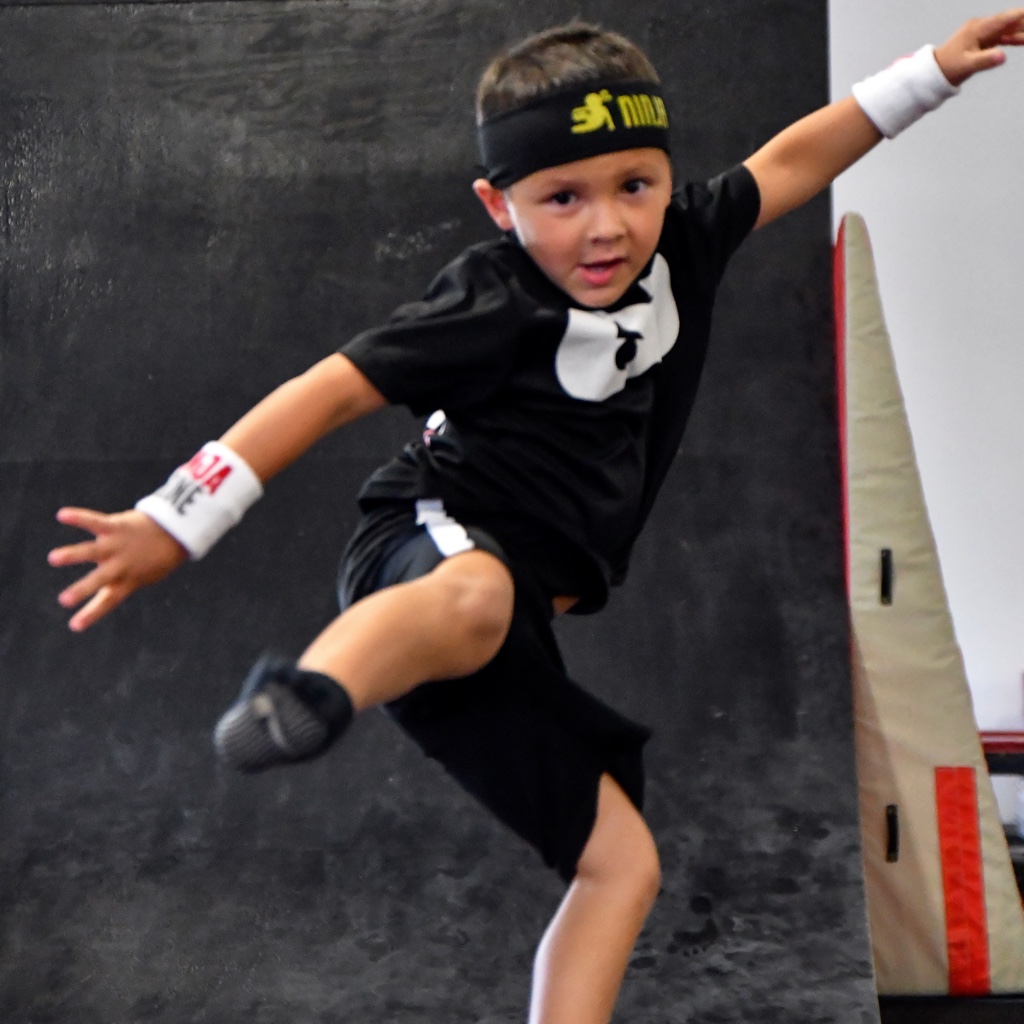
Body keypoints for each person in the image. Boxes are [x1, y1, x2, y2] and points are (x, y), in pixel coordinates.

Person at [47, 12, 1024, 1024]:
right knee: (476, 592)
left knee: (622, 866)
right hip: (424, 548)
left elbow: (794, 157)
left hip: (503, 632)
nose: (606, 228)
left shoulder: (684, 243)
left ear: (667, 176)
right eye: (562, 198)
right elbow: (325, 391)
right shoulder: (491, 298)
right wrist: (176, 519)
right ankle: (306, 694)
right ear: (497, 204)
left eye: (634, 186)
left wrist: (931, 72)